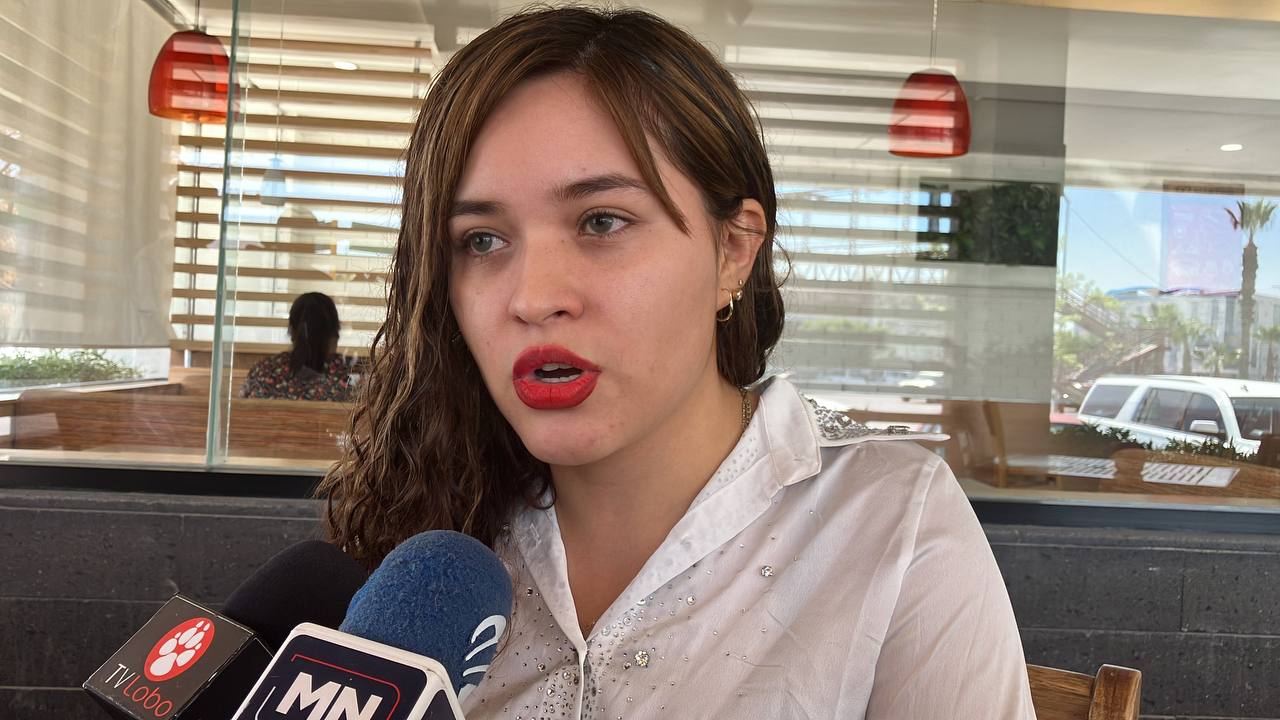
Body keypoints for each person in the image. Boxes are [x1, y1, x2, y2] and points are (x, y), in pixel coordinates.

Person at [319, 7, 1036, 718]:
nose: (533, 298)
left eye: (602, 222)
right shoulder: (424, 548)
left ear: (733, 251)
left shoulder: (890, 523)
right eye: (481, 240)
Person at [240, 292, 355, 402]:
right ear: (334, 335)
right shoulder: (348, 376)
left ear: (291, 332)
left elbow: (242, 407)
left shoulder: (263, 371)